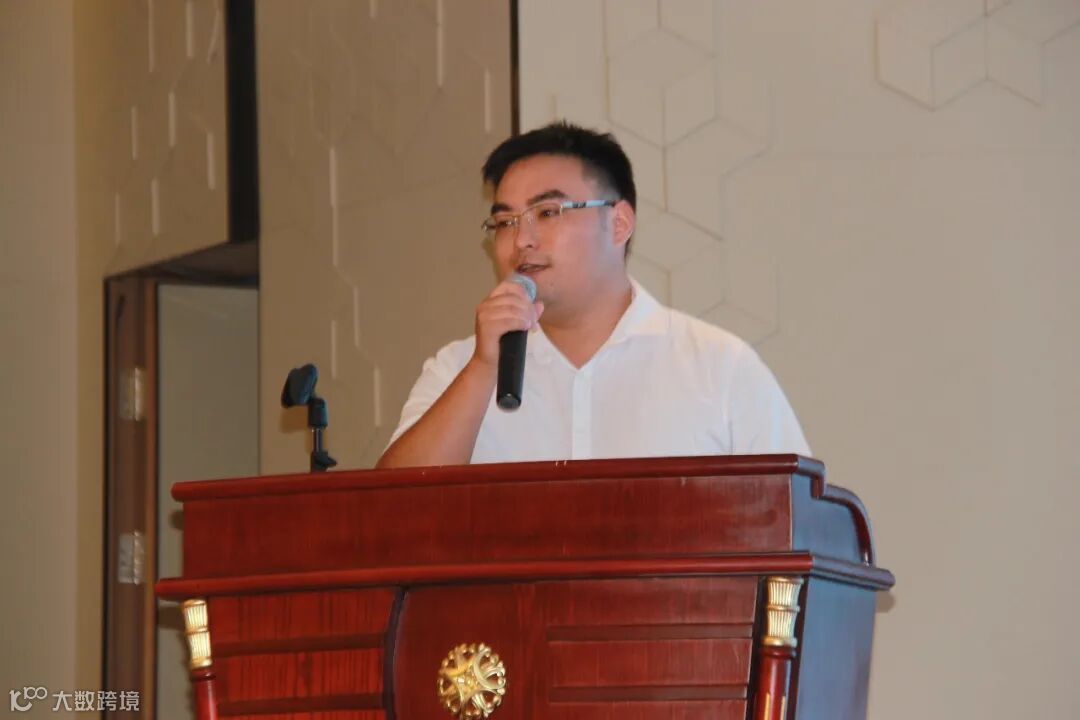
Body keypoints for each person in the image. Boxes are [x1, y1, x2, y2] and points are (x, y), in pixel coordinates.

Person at [376, 122, 809, 468]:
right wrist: (484, 368)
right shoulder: (458, 368)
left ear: (619, 224)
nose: (522, 240)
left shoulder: (718, 367)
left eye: (548, 212)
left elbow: (798, 524)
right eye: (506, 222)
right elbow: (390, 514)